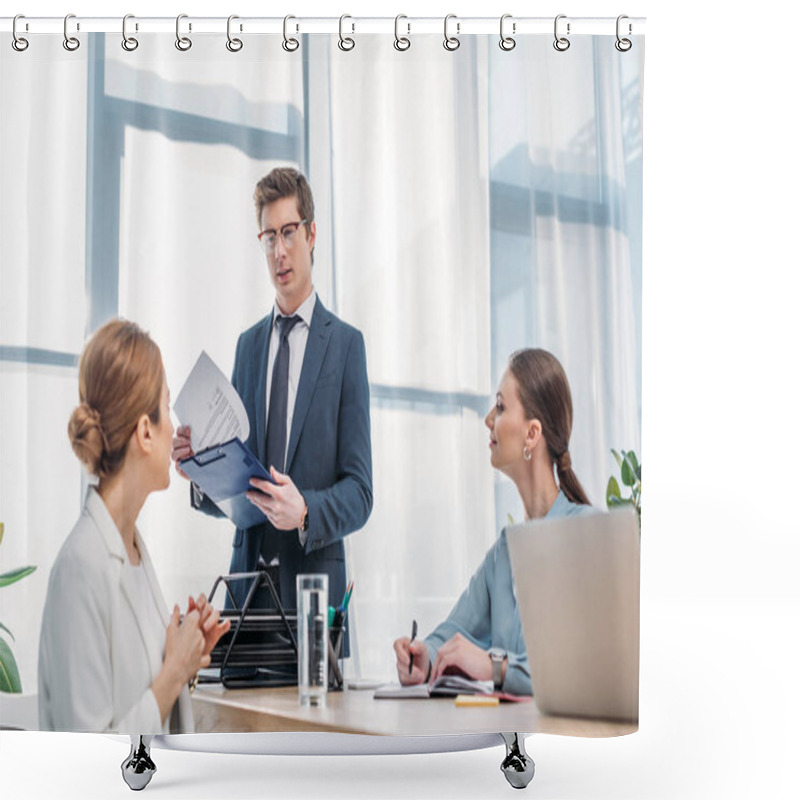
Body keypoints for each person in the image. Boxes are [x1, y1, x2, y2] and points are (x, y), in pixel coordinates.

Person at [171, 167, 372, 637]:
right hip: (245, 598)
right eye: (268, 238)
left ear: (312, 233)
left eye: (288, 233)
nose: (279, 251)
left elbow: (361, 493)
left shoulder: (346, 346)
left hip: (312, 607)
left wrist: (304, 511)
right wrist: (200, 469)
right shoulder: (248, 346)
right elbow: (239, 484)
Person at [38, 320, 229, 733]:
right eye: (166, 407)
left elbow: (140, 699)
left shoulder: (134, 553)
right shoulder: (81, 569)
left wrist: (186, 654)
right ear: (145, 431)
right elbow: (88, 765)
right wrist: (173, 673)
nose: (175, 430)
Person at [393, 348, 593, 696]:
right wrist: (424, 657)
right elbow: (455, 631)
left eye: (500, 407)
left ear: (532, 434)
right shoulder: (505, 551)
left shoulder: (587, 536)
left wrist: (494, 667)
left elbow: (577, 668)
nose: (488, 419)